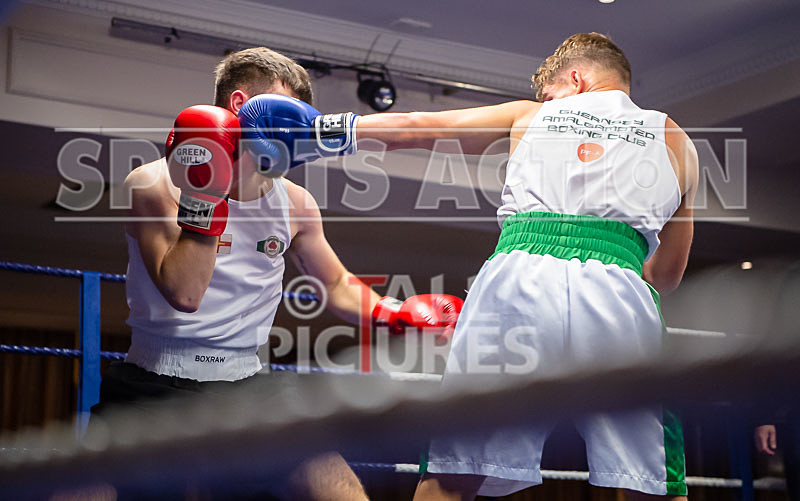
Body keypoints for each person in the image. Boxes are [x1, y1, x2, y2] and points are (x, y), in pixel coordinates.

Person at [243, 32, 698, 500]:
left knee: (454, 471)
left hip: (519, 280)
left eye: (550, 91)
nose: (546, 100)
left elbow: (422, 126)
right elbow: (665, 277)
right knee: (653, 481)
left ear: (576, 79)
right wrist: (607, 264)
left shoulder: (534, 113)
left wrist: (323, 132)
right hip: (619, 291)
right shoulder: (676, 138)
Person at [94, 46, 463, 500]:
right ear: (239, 107)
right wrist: (207, 192)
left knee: (336, 485)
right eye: (282, 114)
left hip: (246, 384)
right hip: (153, 381)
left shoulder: (296, 203)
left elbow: (335, 285)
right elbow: (185, 292)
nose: (293, 133)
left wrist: (396, 313)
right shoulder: (153, 183)